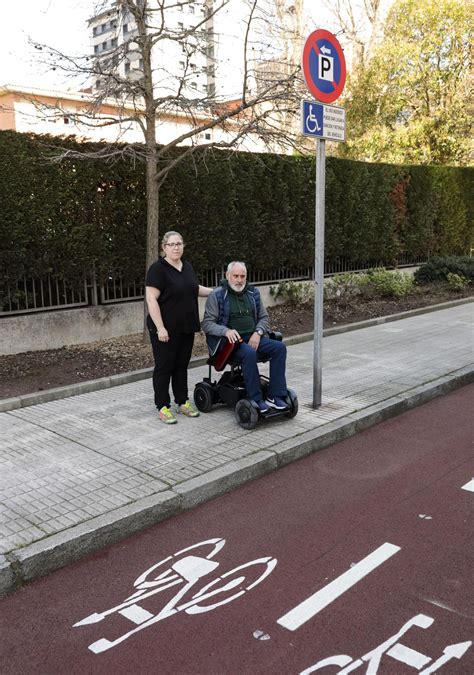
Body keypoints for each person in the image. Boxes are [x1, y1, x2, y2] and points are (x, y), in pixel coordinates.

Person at [202, 261, 288, 414]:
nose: (239, 280)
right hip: (229, 344)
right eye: (235, 276)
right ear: (228, 276)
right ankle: (256, 398)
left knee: (279, 348)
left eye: (243, 276)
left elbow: (264, 318)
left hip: (253, 338)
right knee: (249, 352)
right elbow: (207, 324)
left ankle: (275, 395)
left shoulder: (253, 293)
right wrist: (225, 331)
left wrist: (259, 332)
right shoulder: (217, 295)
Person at [145, 231, 212, 424]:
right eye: (172, 244)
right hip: (165, 329)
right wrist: (160, 328)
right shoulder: (158, 269)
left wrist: (216, 292)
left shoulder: (187, 266)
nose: (176, 247)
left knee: (181, 366)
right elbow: (151, 299)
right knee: (164, 367)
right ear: (164, 248)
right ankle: (163, 406)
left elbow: (194, 288)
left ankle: (182, 401)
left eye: (179, 244)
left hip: (186, 327)